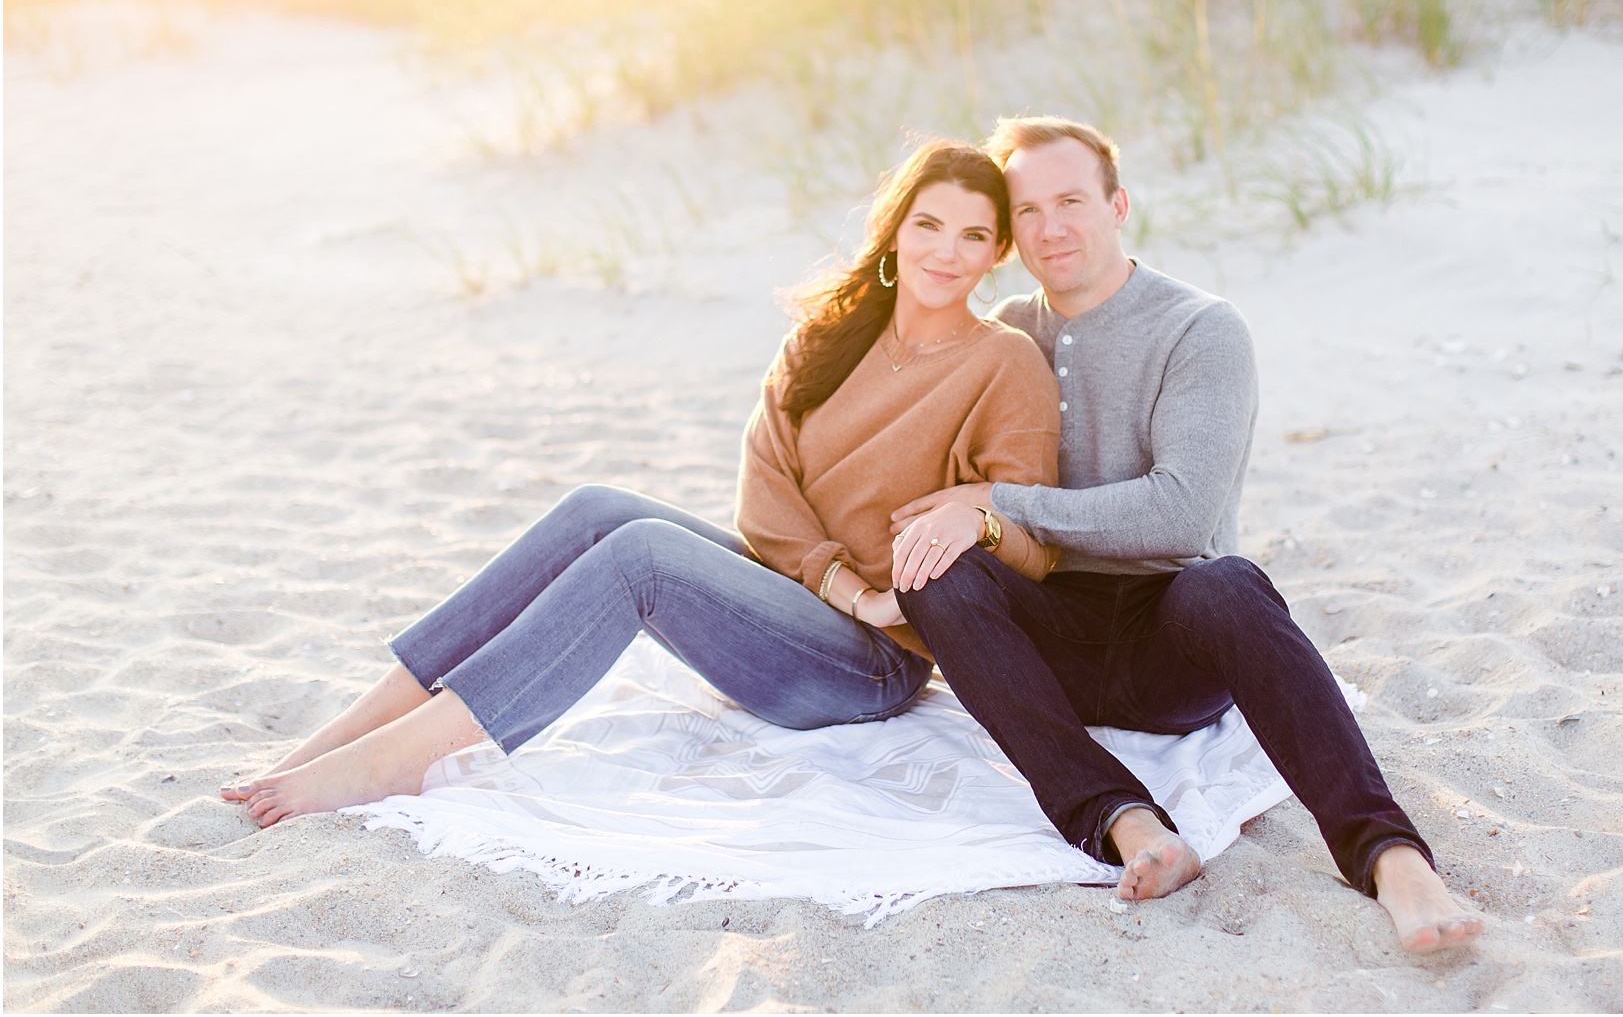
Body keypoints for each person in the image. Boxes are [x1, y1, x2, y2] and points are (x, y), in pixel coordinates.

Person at [220, 140, 1061, 826]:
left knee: (644, 557)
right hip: (800, 603)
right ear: (896, 229)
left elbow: (1032, 543)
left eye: (973, 237)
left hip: (872, 659)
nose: (946, 253)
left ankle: (401, 761)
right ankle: (347, 732)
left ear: (998, 253)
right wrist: (839, 582)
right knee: (596, 510)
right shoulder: (832, 337)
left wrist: (957, 533)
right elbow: (764, 496)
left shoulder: (1002, 363)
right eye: (929, 225)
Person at [887, 117, 1485, 954]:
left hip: (1173, 638)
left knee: (1225, 580)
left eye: (1071, 201)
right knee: (933, 569)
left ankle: (1391, 858)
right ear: (1010, 236)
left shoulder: (1200, 329)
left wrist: (999, 503)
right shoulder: (1005, 331)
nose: (1051, 227)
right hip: (1050, 636)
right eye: (1028, 211)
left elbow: (1179, 515)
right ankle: (1125, 822)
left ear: (1118, 204)